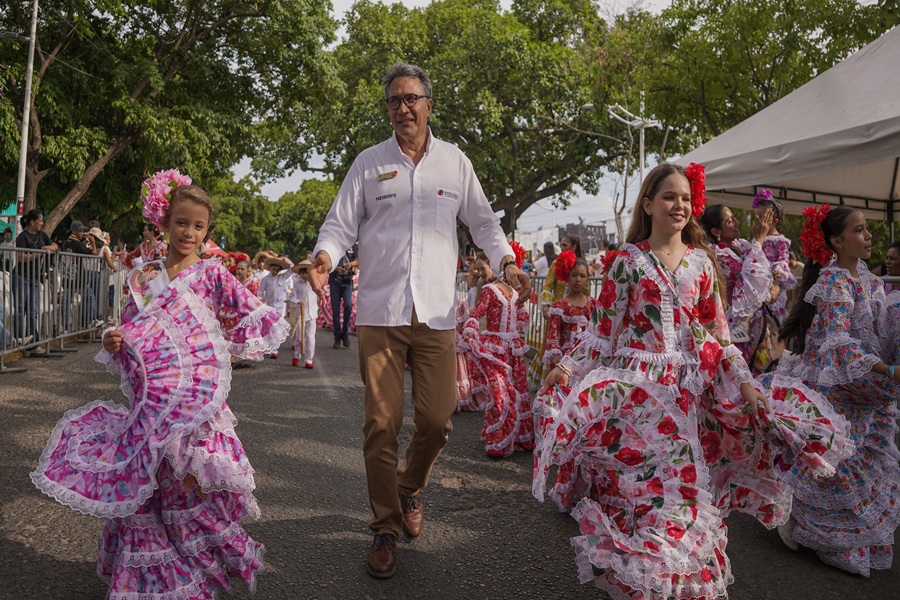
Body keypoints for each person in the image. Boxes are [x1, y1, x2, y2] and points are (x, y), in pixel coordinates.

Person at [533, 163, 851, 599]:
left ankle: (672, 586)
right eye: (668, 196)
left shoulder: (703, 264)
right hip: (636, 398)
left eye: (685, 198)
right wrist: (566, 369)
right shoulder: (626, 262)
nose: (678, 205)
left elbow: (719, 338)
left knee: (682, 500)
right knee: (640, 495)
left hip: (686, 398)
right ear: (648, 204)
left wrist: (747, 386)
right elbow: (600, 334)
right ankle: (642, 582)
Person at [309, 62, 530, 579]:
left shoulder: (455, 163)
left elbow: (483, 222)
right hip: (381, 313)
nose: (402, 108)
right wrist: (323, 258)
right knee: (380, 423)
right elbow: (339, 223)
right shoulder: (369, 163)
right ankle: (385, 525)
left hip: (435, 313)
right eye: (393, 101)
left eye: (411, 99)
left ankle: (408, 487)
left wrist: (507, 262)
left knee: (437, 420)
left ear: (429, 104)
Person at [30, 171, 289, 599]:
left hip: (195, 410)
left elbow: (253, 318)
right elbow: (135, 330)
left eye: (198, 226)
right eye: (181, 222)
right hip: (152, 407)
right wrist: (115, 340)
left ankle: (194, 578)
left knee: (187, 493)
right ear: (165, 223)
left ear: (208, 231)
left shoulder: (213, 275)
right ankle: (154, 583)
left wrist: (215, 352)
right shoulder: (146, 276)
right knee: (148, 492)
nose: (188, 232)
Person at [770, 203, 900, 576]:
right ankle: (801, 519)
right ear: (836, 241)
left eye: (867, 229)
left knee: (865, 459)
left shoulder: (873, 282)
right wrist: (888, 370)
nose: (869, 236)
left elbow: (879, 333)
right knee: (833, 460)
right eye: (859, 230)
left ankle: (846, 534)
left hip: (862, 386)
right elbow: (836, 343)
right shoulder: (832, 282)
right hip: (833, 383)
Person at [462, 248, 532, 458]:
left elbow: (522, 316)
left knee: (518, 392)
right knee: (499, 393)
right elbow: (477, 312)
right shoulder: (491, 290)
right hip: (494, 349)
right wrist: (471, 329)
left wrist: (519, 324)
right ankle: (496, 439)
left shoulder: (517, 293)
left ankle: (518, 438)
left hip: (513, 350)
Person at [699, 203, 774, 361]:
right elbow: (749, 278)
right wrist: (759, 239)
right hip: (731, 328)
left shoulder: (740, 245)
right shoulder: (716, 254)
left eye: (734, 218)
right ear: (716, 231)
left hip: (752, 327)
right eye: (729, 221)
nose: (737, 222)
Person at [528, 234, 584, 389]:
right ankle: (550, 386)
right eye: (562, 244)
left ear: (573, 248)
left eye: (565, 245)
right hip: (558, 314)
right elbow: (548, 285)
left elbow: (586, 292)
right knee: (552, 345)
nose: (562, 248)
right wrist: (546, 305)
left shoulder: (581, 265)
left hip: (577, 316)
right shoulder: (557, 263)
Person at [14, 209, 58, 350]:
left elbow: (56, 246)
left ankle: (33, 343)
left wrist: (49, 247)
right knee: (21, 309)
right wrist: (38, 254)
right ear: (32, 222)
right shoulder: (22, 237)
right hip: (21, 276)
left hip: (34, 278)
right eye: (39, 220)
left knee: (33, 310)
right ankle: (19, 340)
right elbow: (20, 257)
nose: (41, 223)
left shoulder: (42, 235)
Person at [257, 254, 294, 359]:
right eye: (273, 266)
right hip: (268, 307)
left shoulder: (283, 277)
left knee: (277, 328)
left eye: (277, 266)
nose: (275, 268)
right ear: (270, 267)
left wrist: (285, 259)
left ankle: (274, 349)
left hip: (280, 307)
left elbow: (292, 268)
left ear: (280, 268)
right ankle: (268, 347)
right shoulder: (265, 279)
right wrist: (261, 302)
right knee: (268, 327)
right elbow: (260, 292)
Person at [287, 259, 318, 368]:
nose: (305, 275)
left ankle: (309, 360)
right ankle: (296, 355)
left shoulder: (315, 283)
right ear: (300, 273)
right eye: (303, 272)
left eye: (307, 272)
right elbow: (291, 297)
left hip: (312, 314)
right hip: (300, 315)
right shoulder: (297, 284)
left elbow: (320, 293)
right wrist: (297, 302)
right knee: (299, 338)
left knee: (310, 337)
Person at [329, 243, 358, 349]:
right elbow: (326, 261)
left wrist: (350, 265)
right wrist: (335, 267)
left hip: (347, 279)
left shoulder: (353, 245)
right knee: (335, 310)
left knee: (348, 305)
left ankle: (344, 332)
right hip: (334, 280)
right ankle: (337, 336)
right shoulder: (333, 243)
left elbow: (358, 260)